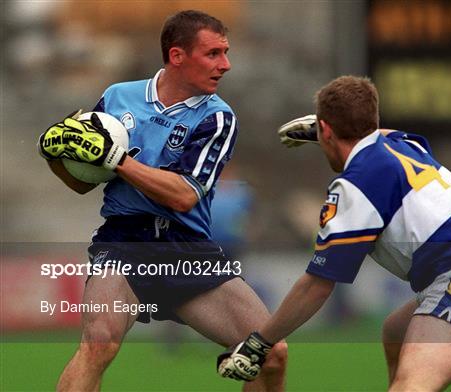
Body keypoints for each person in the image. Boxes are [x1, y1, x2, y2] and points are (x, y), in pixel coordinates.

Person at [217, 75, 451, 391]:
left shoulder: (357, 183)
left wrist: (261, 341)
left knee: (412, 387)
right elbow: (378, 133)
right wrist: (322, 128)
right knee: (396, 330)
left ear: (327, 130)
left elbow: (318, 285)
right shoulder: (404, 145)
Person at [37, 10, 287, 391]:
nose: (226, 64)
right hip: (124, 241)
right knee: (97, 345)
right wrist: (56, 157)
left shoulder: (219, 117)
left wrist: (117, 160)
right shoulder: (117, 97)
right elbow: (81, 183)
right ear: (177, 56)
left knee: (270, 354)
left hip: (187, 248)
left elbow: (184, 196)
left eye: (226, 52)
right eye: (214, 54)